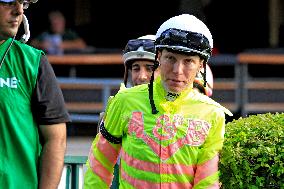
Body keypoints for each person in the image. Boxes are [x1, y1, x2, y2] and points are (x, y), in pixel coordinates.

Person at [84, 14, 233, 189]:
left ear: (201, 65)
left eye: (188, 62)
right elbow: (100, 163)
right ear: (159, 56)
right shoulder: (124, 101)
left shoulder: (213, 114)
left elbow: (208, 182)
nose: (178, 70)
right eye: (171, 58)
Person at [0, 0, 71, 188]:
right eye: (8, 2)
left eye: (23, 3)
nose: (19, 11)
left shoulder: (33, 62)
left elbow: (56, 138)